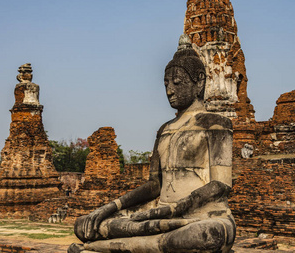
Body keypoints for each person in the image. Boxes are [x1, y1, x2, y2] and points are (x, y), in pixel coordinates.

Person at [68, 35, 235, 253]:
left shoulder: (216, 124)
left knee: (206, 235)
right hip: (158, 216)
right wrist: (109, 207)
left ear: (200, 81)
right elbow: (154, 185)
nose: (169, 90)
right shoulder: (164, 130)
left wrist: (174, 209)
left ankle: (100, 248)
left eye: (177, 83)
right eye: (166, 83)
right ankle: (133, 243)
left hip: (201, 216)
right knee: (85, 225)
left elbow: (221, 185)